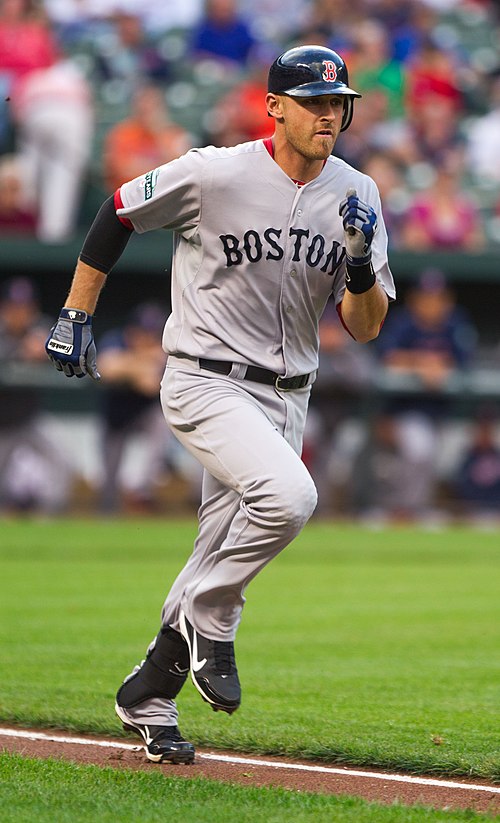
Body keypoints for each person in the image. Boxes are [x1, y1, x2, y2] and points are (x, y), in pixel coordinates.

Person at [44, 44, 394, 765]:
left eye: (339, 103)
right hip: (205, 378)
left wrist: (359, 262)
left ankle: (149, 691)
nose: (330, 114)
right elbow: (117, 212)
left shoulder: (358, 193)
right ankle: (215, 615)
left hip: (288, 394)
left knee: (215, 548)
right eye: (315, 102)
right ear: (275, 108)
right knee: (290, 496)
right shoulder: (215, 172)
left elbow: (364, 325)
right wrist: (77, 313)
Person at [102, 84, 193, 194]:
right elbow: (121, 171)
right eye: (143, 104)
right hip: (129, 198)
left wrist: (159, 134)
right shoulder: (122, 133)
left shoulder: (173, 134)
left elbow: (181, 171)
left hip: (164, 197)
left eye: (153, 105)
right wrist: (158, 168)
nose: (147, 109)